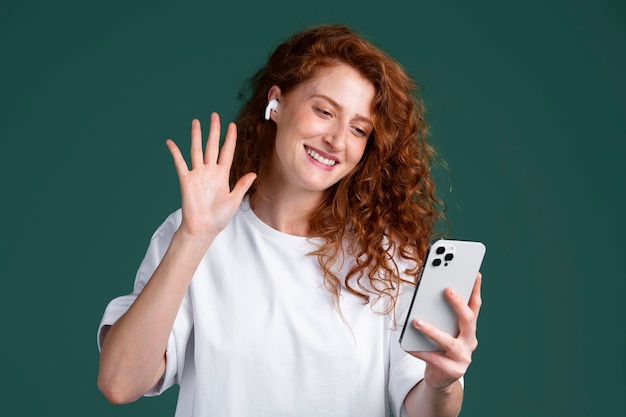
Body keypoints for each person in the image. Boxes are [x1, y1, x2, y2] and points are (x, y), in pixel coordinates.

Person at [96, 24, 482, 417]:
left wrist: (441, 382)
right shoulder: (194, 231)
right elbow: (119, 383)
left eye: (359, 129)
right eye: (324, 111)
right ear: (276, 103)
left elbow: (427, 412)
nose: (337, 139)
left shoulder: (388, 256)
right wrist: (194, 237)